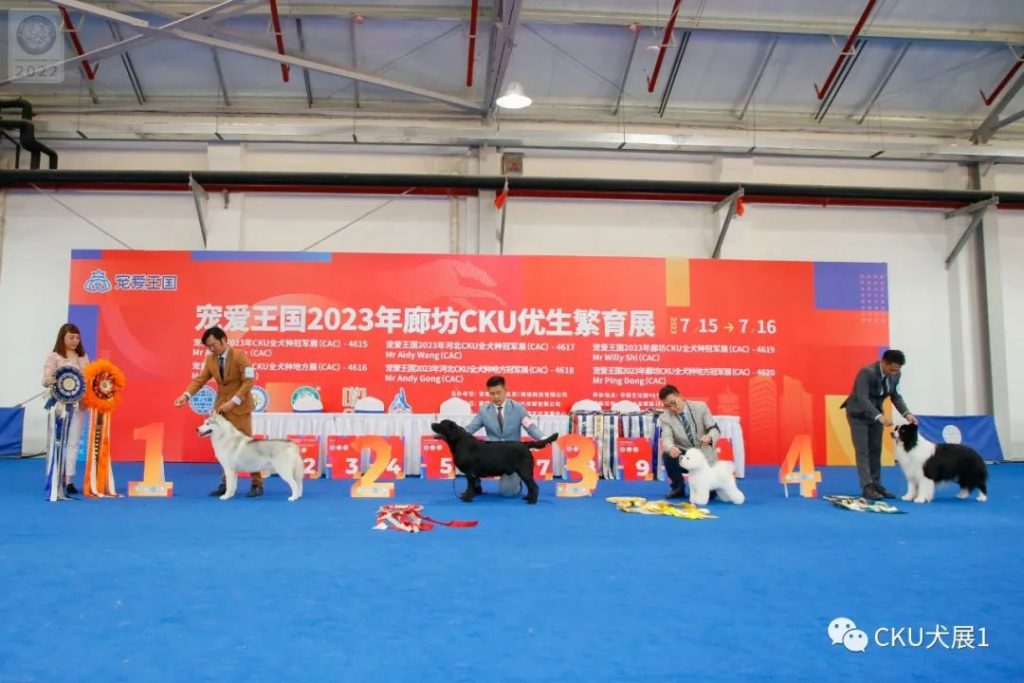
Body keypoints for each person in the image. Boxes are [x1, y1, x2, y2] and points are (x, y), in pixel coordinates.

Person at [174, 326, 262, 497]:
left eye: (213, 345)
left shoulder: (240, 356)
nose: (211, 349)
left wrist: (234, 401)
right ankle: (226, 484)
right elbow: (200, 379)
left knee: (248, 446)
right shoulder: (210, 359)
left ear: (224, 340)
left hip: (240, 408)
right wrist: (186, 395)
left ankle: (256, 483)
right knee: (224, 447)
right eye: (208, 347)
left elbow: (249, 381)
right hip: (221, 409)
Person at [840, 349, 917, 501]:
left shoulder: (896, 375)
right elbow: (862, 398)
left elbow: (895, 396)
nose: (895, 373)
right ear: (883, 363)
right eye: (892, 369)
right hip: (858, 414)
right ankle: (867, 486)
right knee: (863, 451)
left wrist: (907, 413)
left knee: (876, 450)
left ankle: (876, 484)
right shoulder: (866, 373)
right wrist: (879, 416)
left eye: (898, 370)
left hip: (876, 415)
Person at [463, 375, 547, 494]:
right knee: (470, 457)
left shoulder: (518, 408)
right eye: (492, 394)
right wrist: (453, 435)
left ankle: (516, 480)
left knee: (507, 492)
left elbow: (530, 426)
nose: (496, 397)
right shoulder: (484, 410)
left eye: (498, 393)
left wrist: (543, 438)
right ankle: (476, 485)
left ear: (505, 390)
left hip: (512, 456)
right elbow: (470, 428)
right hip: (491, 456)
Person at [42, 323, 90, 495]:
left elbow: (87, 379)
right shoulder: (53, 356)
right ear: (62, 337)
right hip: (59, 405)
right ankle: (54, 476)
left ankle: (69, 480)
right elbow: (45, 379)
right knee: (57, 441)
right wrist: (51, 380)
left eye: (77, 338)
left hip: (79, 406)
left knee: (74, 442)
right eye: (71, 337)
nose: (75, 341)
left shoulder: (83, 357)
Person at [657, 384, 720, 499]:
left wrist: (709, 437)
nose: (672, 408)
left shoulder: (701, 407)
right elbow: (666, 437)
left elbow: (714, 429)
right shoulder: (665, 417)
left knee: (710, 495)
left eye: (673, 403)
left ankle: (710, 487)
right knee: (667, 454)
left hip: (704, 454)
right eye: (667, 406)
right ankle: (678, 488)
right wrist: (670, 448)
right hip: (685, 456)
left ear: (680, 396)